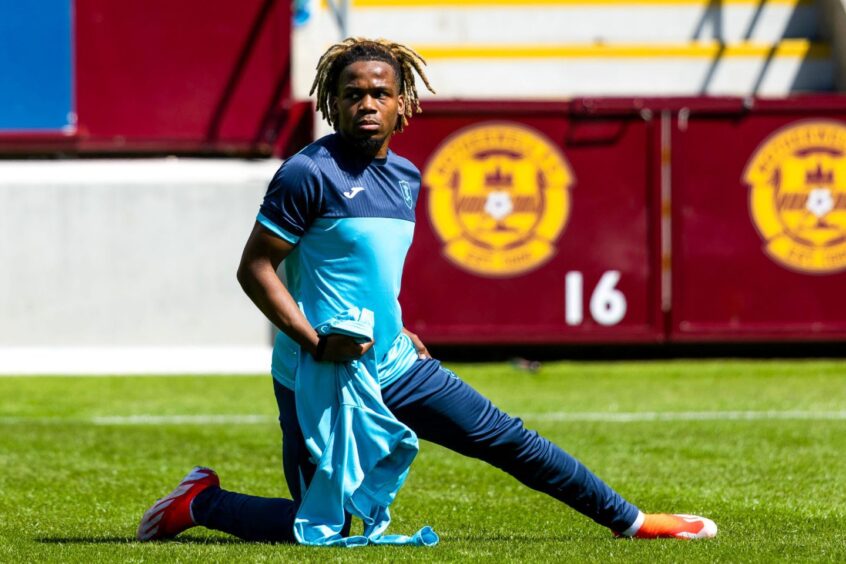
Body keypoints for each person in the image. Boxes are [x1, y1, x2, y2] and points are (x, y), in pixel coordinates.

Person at [137, 38, 717, 543]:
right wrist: (315, 341)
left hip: (395, 363)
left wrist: (395, 321)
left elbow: (366, 270)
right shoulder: (306, 173)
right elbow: (255, 268)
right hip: (317, 374)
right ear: (331, 102)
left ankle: (633, 521)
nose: (366, 103)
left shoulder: (408, 177)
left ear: (403, 103)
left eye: (380, 93)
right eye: (353, 93)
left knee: (509, 441)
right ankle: (201, 503)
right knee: (326, 529)